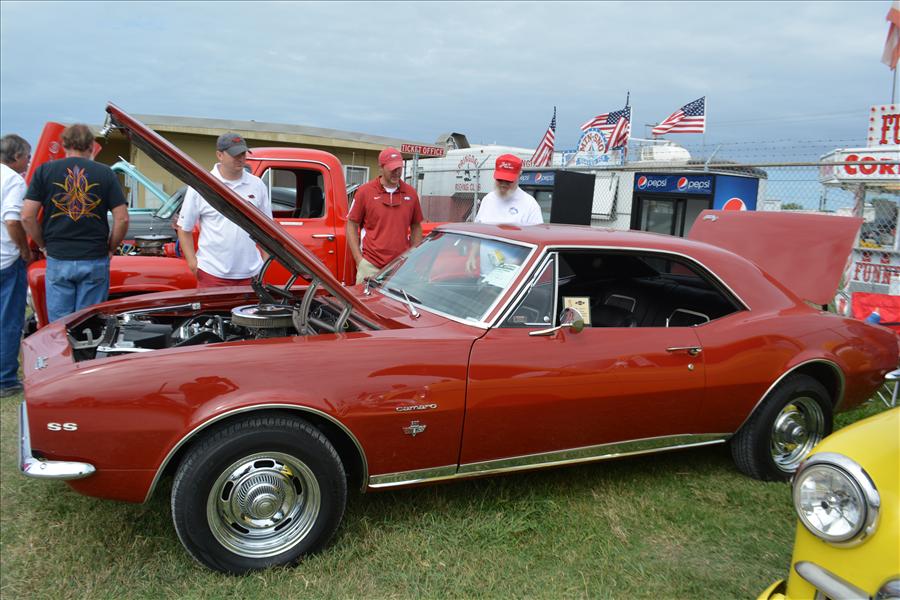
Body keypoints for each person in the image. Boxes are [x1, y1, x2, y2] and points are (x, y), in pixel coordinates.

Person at [21, 124, 128, 322]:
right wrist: (111, 248)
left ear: (64, 145)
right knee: (88, 324)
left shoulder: (44, 171)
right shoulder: (105, 173)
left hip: (58, 256)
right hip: (94, 256)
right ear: (91, 146)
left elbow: (27, 216)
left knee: (60, 326)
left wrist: (43, 245)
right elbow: (122, 218)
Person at [176, 133, 271, 288]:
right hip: (212, 274)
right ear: (219, 155)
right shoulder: (202, 185)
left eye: (243, 154)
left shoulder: (257, 185)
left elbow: (267, 228)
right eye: (235, 154)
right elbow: (184, 228)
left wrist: (264, 265)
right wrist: (193, 264)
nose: (241, 158)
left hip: (252, 275)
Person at [346, 147, 423, 284]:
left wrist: (412, 257)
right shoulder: (364, 192)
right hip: (370, 265)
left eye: (399, 168)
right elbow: (351, 224)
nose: (397, 172)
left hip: (400, 267)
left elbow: (416, 226)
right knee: (364, 298)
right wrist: (359, 260)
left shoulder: (411, 193)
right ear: (381, 168)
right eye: (392, 169)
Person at [467, 154, 543, 274]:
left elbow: (538, 243)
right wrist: (472, 256)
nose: (503, 184)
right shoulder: (488, 199)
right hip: (485, 274)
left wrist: (517, 263)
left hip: (514, 277)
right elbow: (478, 231)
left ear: (519, 175)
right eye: (500, 179)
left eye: (508, 181)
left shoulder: (530, 205)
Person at [0, 134, 32, 397]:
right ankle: (5, 379)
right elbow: (12, 219)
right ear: (17, 156)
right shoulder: (13, 180)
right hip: (6, 259)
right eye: (27, 156)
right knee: (9, 320)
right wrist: (24, 248)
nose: (29, 161)